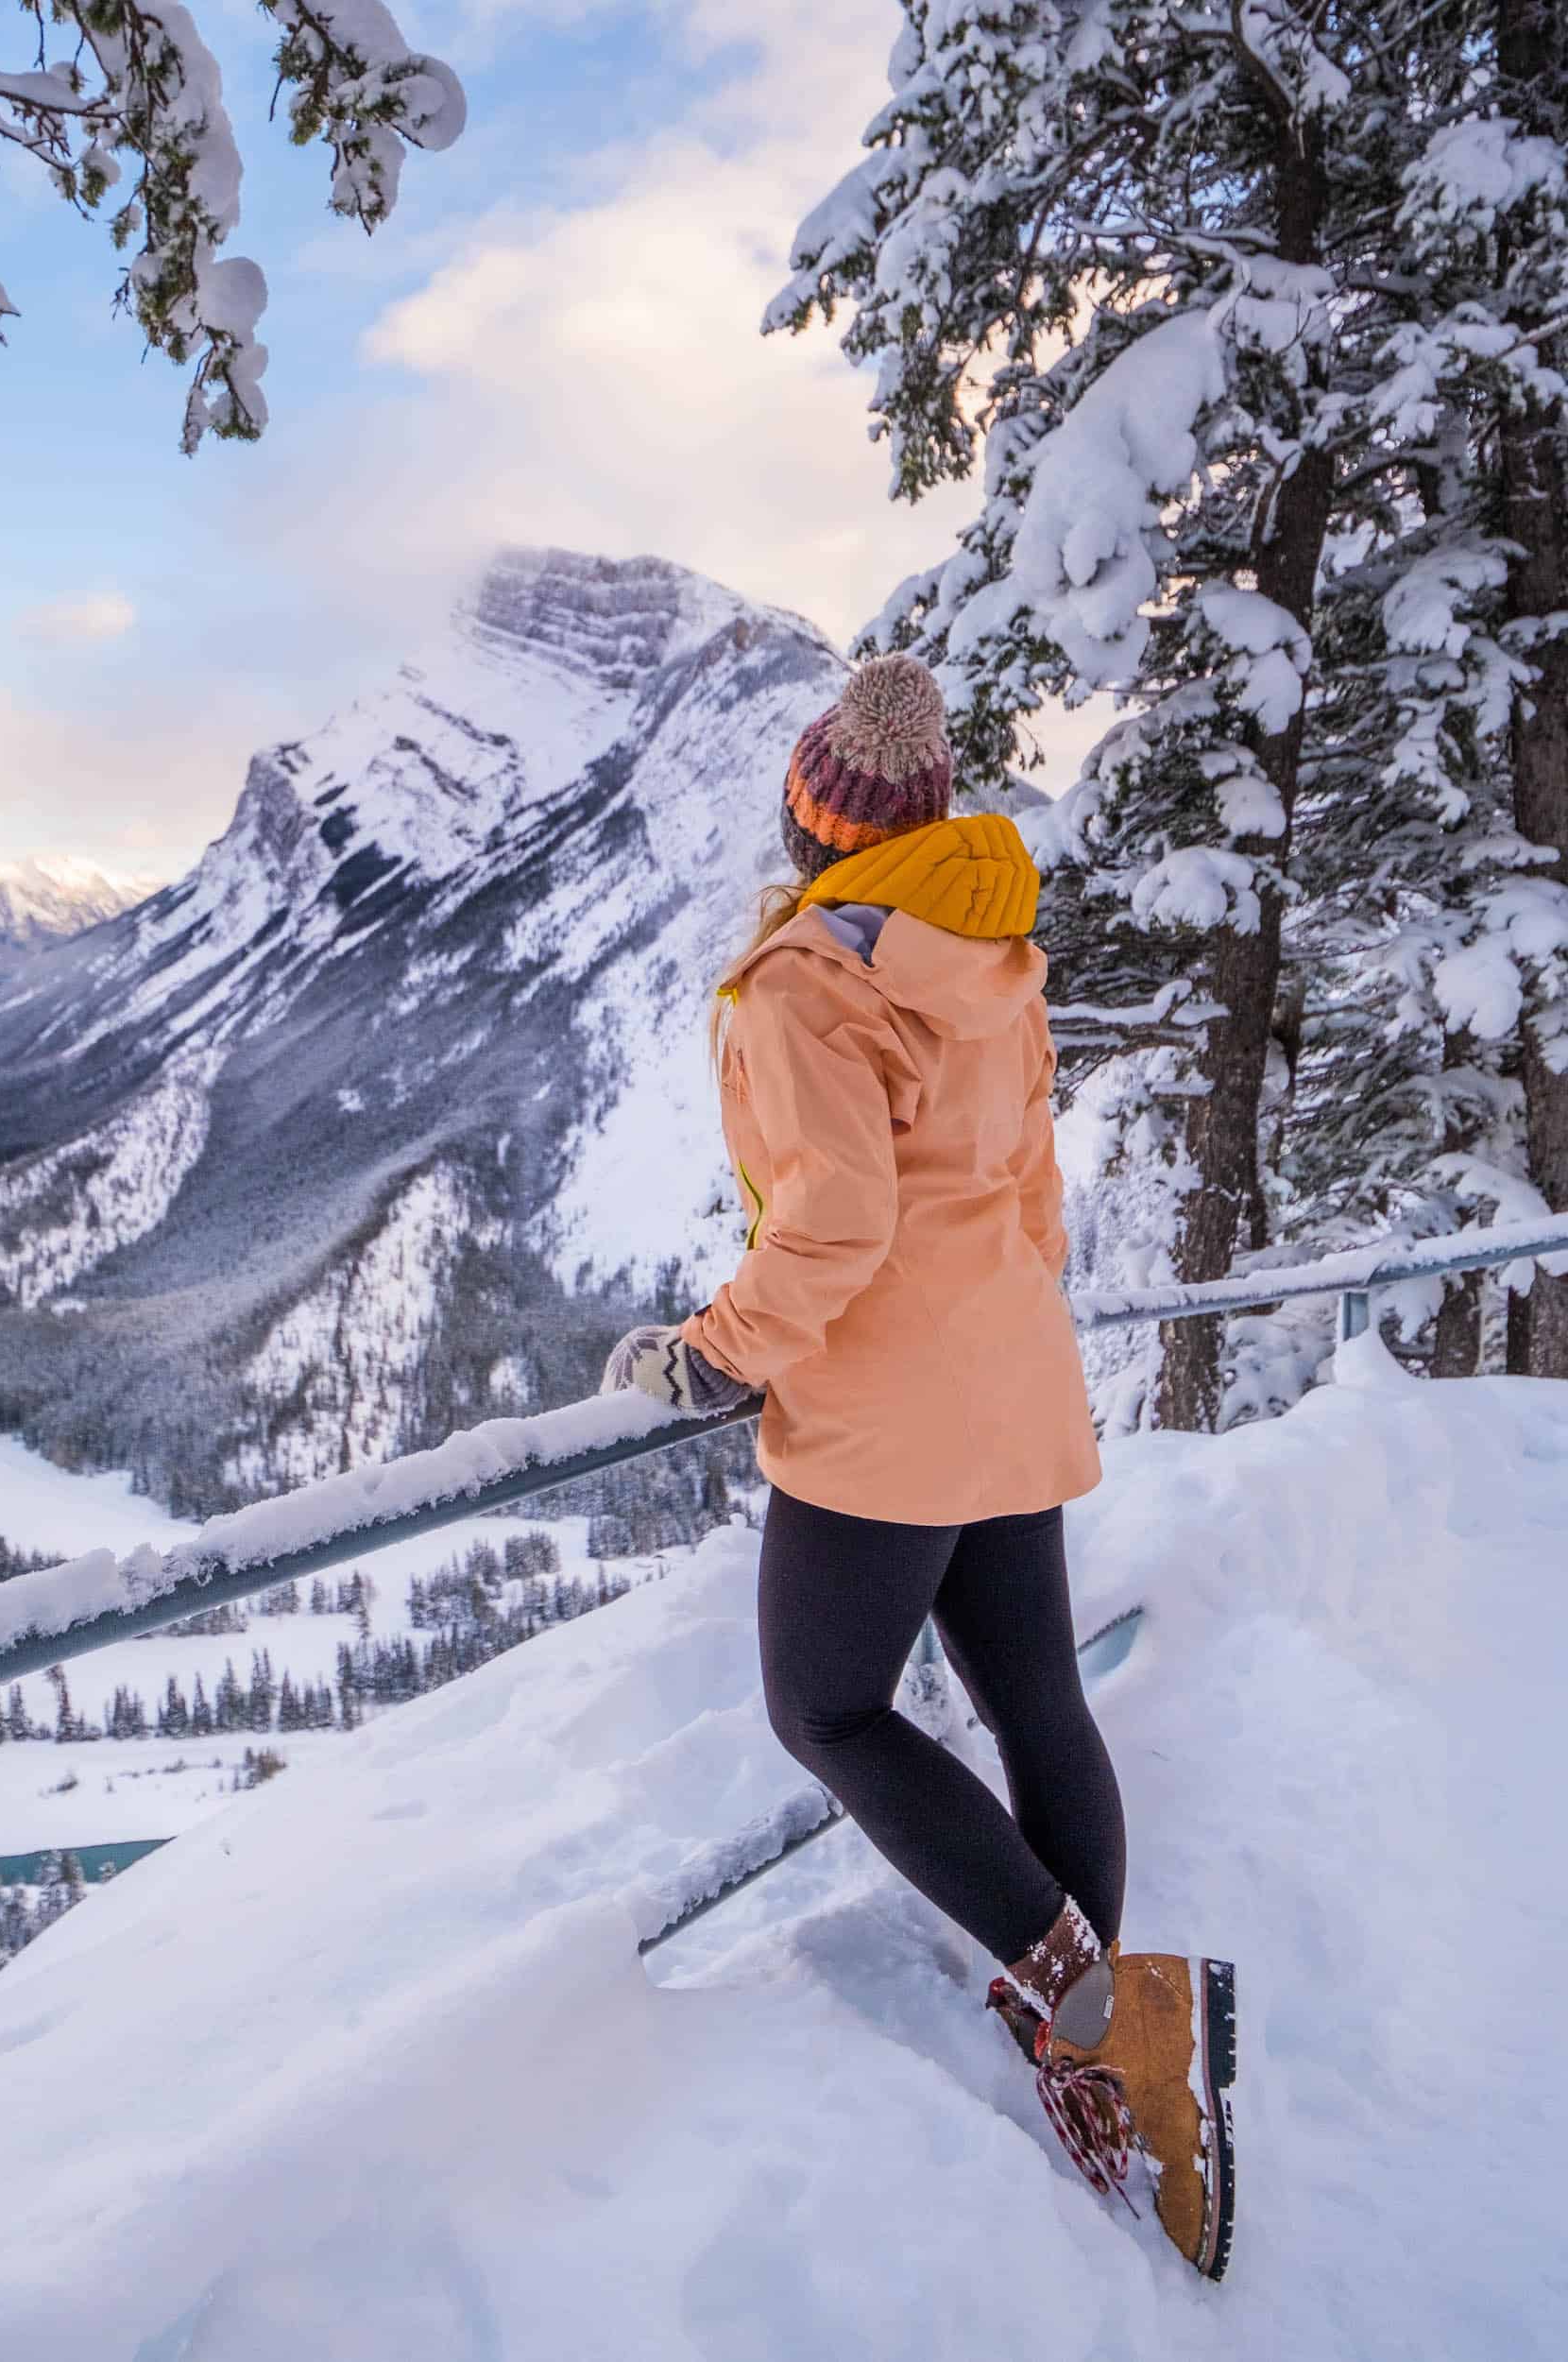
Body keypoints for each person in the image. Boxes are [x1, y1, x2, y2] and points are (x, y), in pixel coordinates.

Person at [603, 654, 1236, 2280]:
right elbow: (1029, 1196)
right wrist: (1010, 1337)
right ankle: (1105, 2025)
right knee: (1033, 1695)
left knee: (826, 1708)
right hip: (1008, 1380)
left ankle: (1081, 2005)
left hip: (887, 1414)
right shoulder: (989, 942)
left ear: (813, 815)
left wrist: (714, 1353)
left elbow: (830, 1223)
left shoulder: (812, 981)